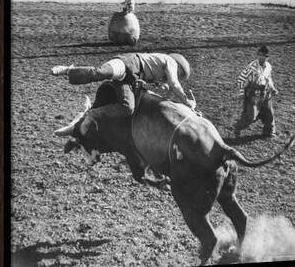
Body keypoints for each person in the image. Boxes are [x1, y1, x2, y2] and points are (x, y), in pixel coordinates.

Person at [53, 52, 196, 185]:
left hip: (130, 78)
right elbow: (174, 84)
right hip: (127, 65)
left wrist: (161, 84)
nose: (178, 76)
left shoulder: (159, 67)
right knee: (100, 73)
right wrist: (186, 101)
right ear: (177, 66)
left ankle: (94, 116)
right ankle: (69, 72)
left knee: (128, 107)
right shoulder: (170, 61)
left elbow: (158, 78)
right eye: (180, 74)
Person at [234, 45, 278, 139]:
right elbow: (241, 80)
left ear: (267, 57)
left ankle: (269, 131)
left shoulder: (268, 66)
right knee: (251, 117)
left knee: (269, 112)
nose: (262, 57)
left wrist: (272, 88)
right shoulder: (251, 67)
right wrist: (242, 94)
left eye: (264, 56)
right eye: (260, 55)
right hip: (253, 93)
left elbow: (268, 78)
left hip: (265, 92)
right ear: (258, 55)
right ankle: (238, 127)